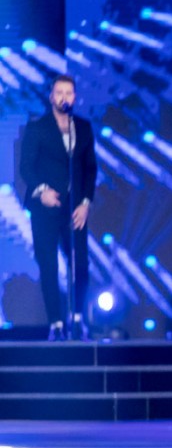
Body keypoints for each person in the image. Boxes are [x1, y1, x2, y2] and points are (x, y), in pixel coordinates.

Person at [19, 74, 97, 341]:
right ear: (52, 96)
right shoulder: (38, 127)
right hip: (45, 208)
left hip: (75, 209)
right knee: (49, 264)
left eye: (69, 93)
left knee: (81, 263)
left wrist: (85, 203)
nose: (64, 97)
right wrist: (41, 190)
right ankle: (56, 322)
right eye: (59, 92)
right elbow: (26, 167)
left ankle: (78, 318)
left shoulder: (83, 127)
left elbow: (90, 168)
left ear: (75, 97)